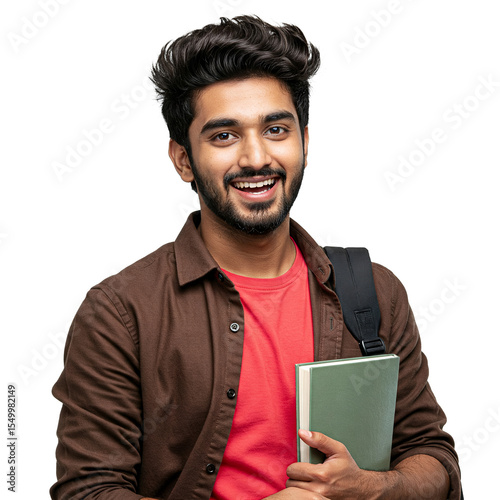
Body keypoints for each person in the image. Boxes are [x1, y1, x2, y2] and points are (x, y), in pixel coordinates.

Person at [51, 15, 462, 500]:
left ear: (304, 143)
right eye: (224, 135)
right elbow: (88, 492)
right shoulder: (120, 313)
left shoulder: (371, 290)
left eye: (276, 129)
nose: (255, 158)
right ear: (183, 159)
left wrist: (372, 489)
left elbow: (433, 459)